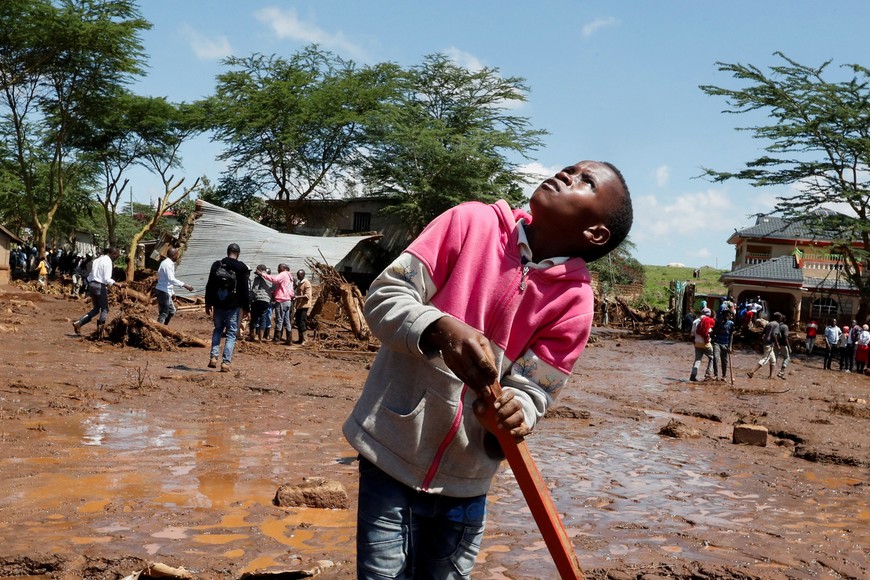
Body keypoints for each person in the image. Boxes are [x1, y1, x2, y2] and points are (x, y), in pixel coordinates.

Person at [342, 159, 633, 579]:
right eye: (570, 168)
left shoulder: (575, 303)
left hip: (468, 480)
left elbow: (538, 389)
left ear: (596, 233)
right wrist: (438, 326)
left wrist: (518, 411)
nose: (566, 174)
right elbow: (386, 295)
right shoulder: (468, 223)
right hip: (391, 454)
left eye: (585, 181)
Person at [205, 243, 250, 372]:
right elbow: (245, 290)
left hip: (218, 304)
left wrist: (208, 303)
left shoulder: (217, 265)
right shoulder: (242, 268)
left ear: (227, 252)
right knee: (231, 333)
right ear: (238, 254)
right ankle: (225, 363)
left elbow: (210, 285)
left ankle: (213, 357)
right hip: (233, 306)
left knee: (218, 329)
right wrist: (246, 308)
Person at [72, 247, 124, 335]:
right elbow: (107, 279)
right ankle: (100, 332)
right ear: (114, 254)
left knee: (96, 309)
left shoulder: (97, 260)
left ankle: (79, 323)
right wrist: (118, 284)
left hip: (91, 284)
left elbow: (90, 274)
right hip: (99, 286)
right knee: (105, 309)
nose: (117, 258)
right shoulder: (108, 262)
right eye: (117, 256)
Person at [257, 263, 295, 345]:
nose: (278, 268)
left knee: (279, 320)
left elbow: (274, 279)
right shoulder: (289, 276)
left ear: (284, 268)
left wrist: (262, 274)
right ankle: (289, 339)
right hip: (288, 300)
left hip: (281, 300)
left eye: (279, 267)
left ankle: (277, 339)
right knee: (287, 320)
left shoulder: (283, 274)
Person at [155, 247, 194, 325]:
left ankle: (163, 328)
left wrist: (172, 293)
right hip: (163, 291)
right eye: (177, 255)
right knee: (164, 312)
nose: (178, 256)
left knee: (171, 311)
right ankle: (159, 328)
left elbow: (168, 281)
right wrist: (185, 285)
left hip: (165, 291)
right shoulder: (167, 264)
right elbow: (171, 279)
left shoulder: (169, 263)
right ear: (174, 255)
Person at [747, 312, 781, 379]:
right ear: (779, 318)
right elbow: (774, 335)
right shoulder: (776, 324)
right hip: (769, 344)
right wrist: (778, 344)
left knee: (773, 360)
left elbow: (762, 333)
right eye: (780, 318)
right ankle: (752, 372)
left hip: (765, 343)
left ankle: (770, 376)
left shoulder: (769, 323)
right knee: (765, 359)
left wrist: (757, 343)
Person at [249, 264, 274, 342]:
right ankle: (260, 338)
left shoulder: (258, 278)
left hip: (257, 300)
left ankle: (252, 336)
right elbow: (273, 289)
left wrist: (250, 300)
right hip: (266, 300)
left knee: (254, 318)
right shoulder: (270, 279)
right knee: (263, 318)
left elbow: (254, 290)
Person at [690, 307, 715, 381]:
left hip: (697, 343)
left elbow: (692, 335)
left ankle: (693, 375)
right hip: (706, 343)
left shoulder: (695, 321)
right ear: (708, 314)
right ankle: (707, 375)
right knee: (712, 358)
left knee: (697, 360)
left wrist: (695, 343)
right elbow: (709, 332)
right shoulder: (707, 321)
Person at [711, 309, 735, 382]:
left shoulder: (731, 323)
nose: (727, 317)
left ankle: (724, 375)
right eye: (725, 315)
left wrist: (730, 346)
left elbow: (731, 335)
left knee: (724, 361)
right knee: (715, 357)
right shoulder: (718, 322)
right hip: (717, 342)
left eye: (728, 315)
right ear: (722, 316)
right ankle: (715, 375)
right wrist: (719, 326)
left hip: (725, 343)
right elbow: (713, 333)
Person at [293, 269, 312, 345]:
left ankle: (305, 339)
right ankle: (300, 339)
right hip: (299, 306)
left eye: (299, 275)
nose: (298, 276)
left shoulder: (306, 283)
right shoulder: (299, 283)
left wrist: (297, 297)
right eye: (297, 275)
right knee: (297, 321)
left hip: (304, 306)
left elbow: (307, 296)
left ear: (303, 275)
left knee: (302, 322)